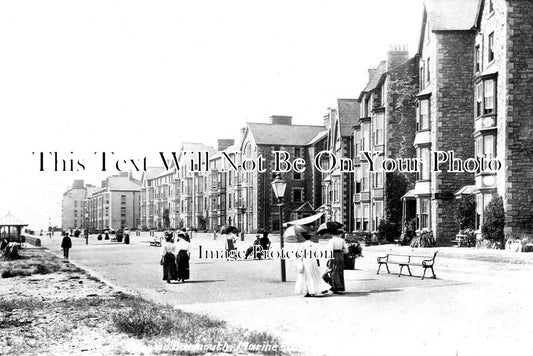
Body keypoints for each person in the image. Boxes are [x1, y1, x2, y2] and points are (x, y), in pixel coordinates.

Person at [294, 231, 331, 297]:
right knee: (315, 274)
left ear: (304, 237)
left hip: (306, 260)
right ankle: (314, 290)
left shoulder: (302, 245)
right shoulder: (314, 244)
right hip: (313, 260)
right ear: (310, 237)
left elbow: (300, 254)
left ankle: (309, 291)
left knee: (307, 275)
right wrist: (318, 261)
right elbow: (317, 254)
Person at [317, 221, 348, 294]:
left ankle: (334, 287)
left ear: (331, 234)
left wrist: (328, 258)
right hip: (340, 255)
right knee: (339, 271)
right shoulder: (342, 240)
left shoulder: (331, 241)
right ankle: (340, 286)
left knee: (332, 271)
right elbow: (346, 250)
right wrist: (341, 252)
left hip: (333, 255)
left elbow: (330, 250)